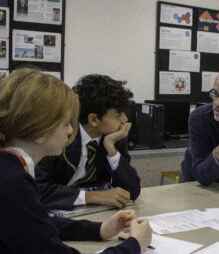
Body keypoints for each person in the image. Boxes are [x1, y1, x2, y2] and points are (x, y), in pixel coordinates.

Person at [0, 67, 152, 254]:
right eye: (67, 123)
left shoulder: (0, 165)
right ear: (40, 132)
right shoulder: (9, 181)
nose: (70, 131)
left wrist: (99, 229)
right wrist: (135, 245)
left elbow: (36, 223)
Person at [35, 74, 141, 210]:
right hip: (54, 213)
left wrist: (111, 149)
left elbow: (131, 191)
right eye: (118, 114)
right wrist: (93, 196)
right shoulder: (58, 135)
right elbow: (39, 190)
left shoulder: (114, 137)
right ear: (93, 120)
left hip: (91, 213)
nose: (125, 119)